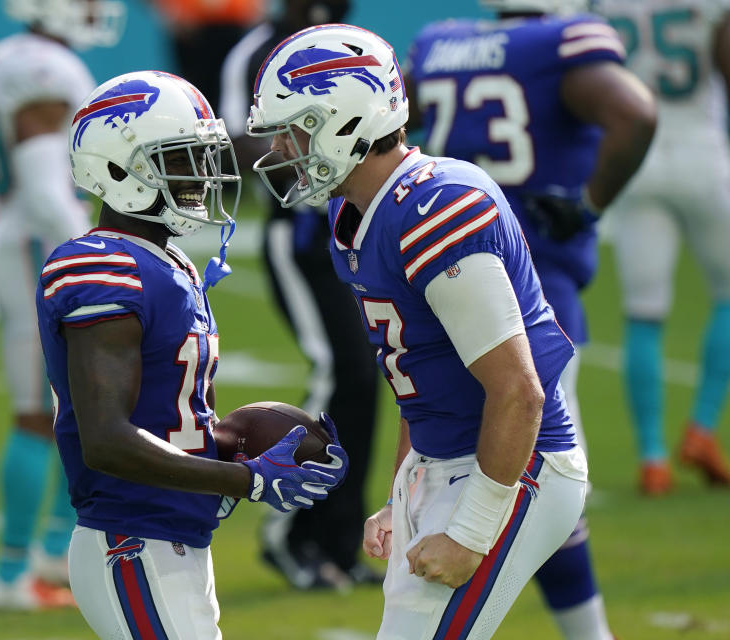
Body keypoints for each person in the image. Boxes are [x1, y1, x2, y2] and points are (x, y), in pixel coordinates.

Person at [247, 24, 589, 638]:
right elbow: (420, 372)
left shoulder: (436, 208)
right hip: (446, 460)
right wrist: (403, 486)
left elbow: (518, 391)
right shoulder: (352, 210)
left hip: (516, 466)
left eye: (295, 126)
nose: (282, 146)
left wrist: (470, 532)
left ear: (344, 120)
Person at [36, 70, 349, 639]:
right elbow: (105, 438)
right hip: (131, 539)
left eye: (204, 157)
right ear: (117, 166)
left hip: (172, 536)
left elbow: (167, 415)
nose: (202, 176)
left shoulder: (167, 261)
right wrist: (247, 481)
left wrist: (231, 444)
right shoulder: (103, 269)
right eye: (180, 159)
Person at [403, 0, 656, 636]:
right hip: (532, 274)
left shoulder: (441, 44)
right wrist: (589, 203)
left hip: (443, 271)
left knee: (470, 451)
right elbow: (635, 112)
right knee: (541, 462)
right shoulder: (563, 42)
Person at [0, 0, 125, 610]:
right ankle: (8, 575)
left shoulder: (18, 56)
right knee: (37, 412)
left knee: (74, 407)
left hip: (34, 241)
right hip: (36, 246)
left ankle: (53, 552)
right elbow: (47, 188)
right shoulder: (43, 68)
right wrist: (97, 250)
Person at [219, 0, 382, 591]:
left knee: (367, 380)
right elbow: (238, 143)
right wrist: (303, 148)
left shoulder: (353, 43)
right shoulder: (257, 48)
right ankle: (287, 532)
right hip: (304, 234)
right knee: (339, 374)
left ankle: (341, 539)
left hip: (358, 229)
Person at [593, 0, 730, 494]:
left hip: (638, 159)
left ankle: (653, 457)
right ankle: (702, 428)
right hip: (703, 155)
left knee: (643, 313)